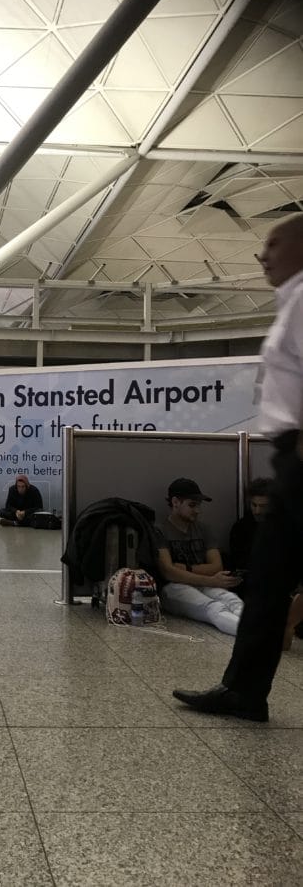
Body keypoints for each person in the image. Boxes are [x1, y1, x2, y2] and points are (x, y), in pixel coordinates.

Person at [174, 213, 303, 722]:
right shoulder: (291, 299)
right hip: (291, 455)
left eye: (273, 243)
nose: (261, 255)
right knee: (268, 583)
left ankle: (243, 691)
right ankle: (244, 691)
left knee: (271, 581)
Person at [155, 477, 243, 635]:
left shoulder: (203, 529)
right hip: (173, 589)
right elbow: (168, 572)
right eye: (192, 505)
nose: (197, 510)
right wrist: (210, 579)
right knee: (213, 607)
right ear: (175, 502)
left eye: (198, 505)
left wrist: (186, 569)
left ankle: (266, 631)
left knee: (233, 601)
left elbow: (216, 566)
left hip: (203, 584)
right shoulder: (160, 531)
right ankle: (257, 637)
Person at [228, 477, 273, 573]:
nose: (257, 511)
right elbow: (240, 561)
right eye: (254, 505)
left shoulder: (285, 526)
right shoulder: (241, 527)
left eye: (263, 506)